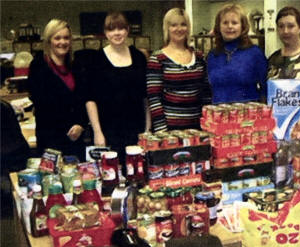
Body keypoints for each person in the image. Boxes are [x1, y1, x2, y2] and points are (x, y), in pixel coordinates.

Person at [85, 12, 148, 161]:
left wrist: (147, 129)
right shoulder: (96, 60)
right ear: (106, 33)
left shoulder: (138, 57)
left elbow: (146, 97)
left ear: (127, 30)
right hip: (108, 132)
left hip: (136, 130)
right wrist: (97, 132)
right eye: (112, 29)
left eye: (121, 29)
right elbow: (90, 99)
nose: (117, 33)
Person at [27, 19, 86, 159]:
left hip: (75, 137)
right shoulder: (38, 66)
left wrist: (81, 124)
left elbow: (83, 98)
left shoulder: (76, 65)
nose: (62, 42)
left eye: (66, 38)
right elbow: (41, 103)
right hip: (50, 137)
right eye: (57, 38)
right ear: (49, 41)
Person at [147, 8, 210, 132]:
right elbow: (154, 99)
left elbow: (206, 94)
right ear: (167, 28)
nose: (179, 29)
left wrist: (206, 125)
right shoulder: (157, 59)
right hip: (169, 131)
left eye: (183, 24)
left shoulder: (199, 56)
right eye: (174, 25)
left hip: (197, 129)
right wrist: (162, 132)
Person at [207, 3, 267, 104]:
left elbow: (265, 89)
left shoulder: (254, 53)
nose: (229, 26)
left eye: (234, 23)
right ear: (218, 26)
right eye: (225, 23)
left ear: (243, 26)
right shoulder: (213, 55)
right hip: (218, 115)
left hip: (247, 115)